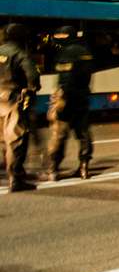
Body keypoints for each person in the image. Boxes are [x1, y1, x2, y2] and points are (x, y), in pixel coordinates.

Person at [45, 26, 95, 182]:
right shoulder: (85, 52)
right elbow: (88, 75)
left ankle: (53, 169)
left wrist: (60, 98)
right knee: (83, 134)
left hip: (67, 99)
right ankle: (84, 168)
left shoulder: (66, 53)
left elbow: (65, 79)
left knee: (59, 134)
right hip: (82, 98)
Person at [0, 24, 41, 192]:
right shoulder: (20, 53)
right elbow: (33, 76)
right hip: (12, 99)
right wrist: (32, 88)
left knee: (3, 139)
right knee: (16, 140)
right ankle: (15, 179)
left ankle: (13, 170)